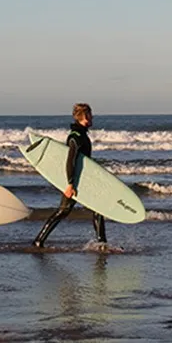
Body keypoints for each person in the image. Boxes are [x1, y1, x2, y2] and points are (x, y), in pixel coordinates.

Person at [32, 103, 107, 248]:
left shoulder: (82, 134)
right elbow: (70, 161)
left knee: (98, 209)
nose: (92, 118)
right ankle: (38, 241)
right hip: (75, 180)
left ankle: (101, 242)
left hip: (84, 179)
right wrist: (70, 183)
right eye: (90, 115)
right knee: (63, 211)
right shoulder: (75, 137)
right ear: (84, 116)